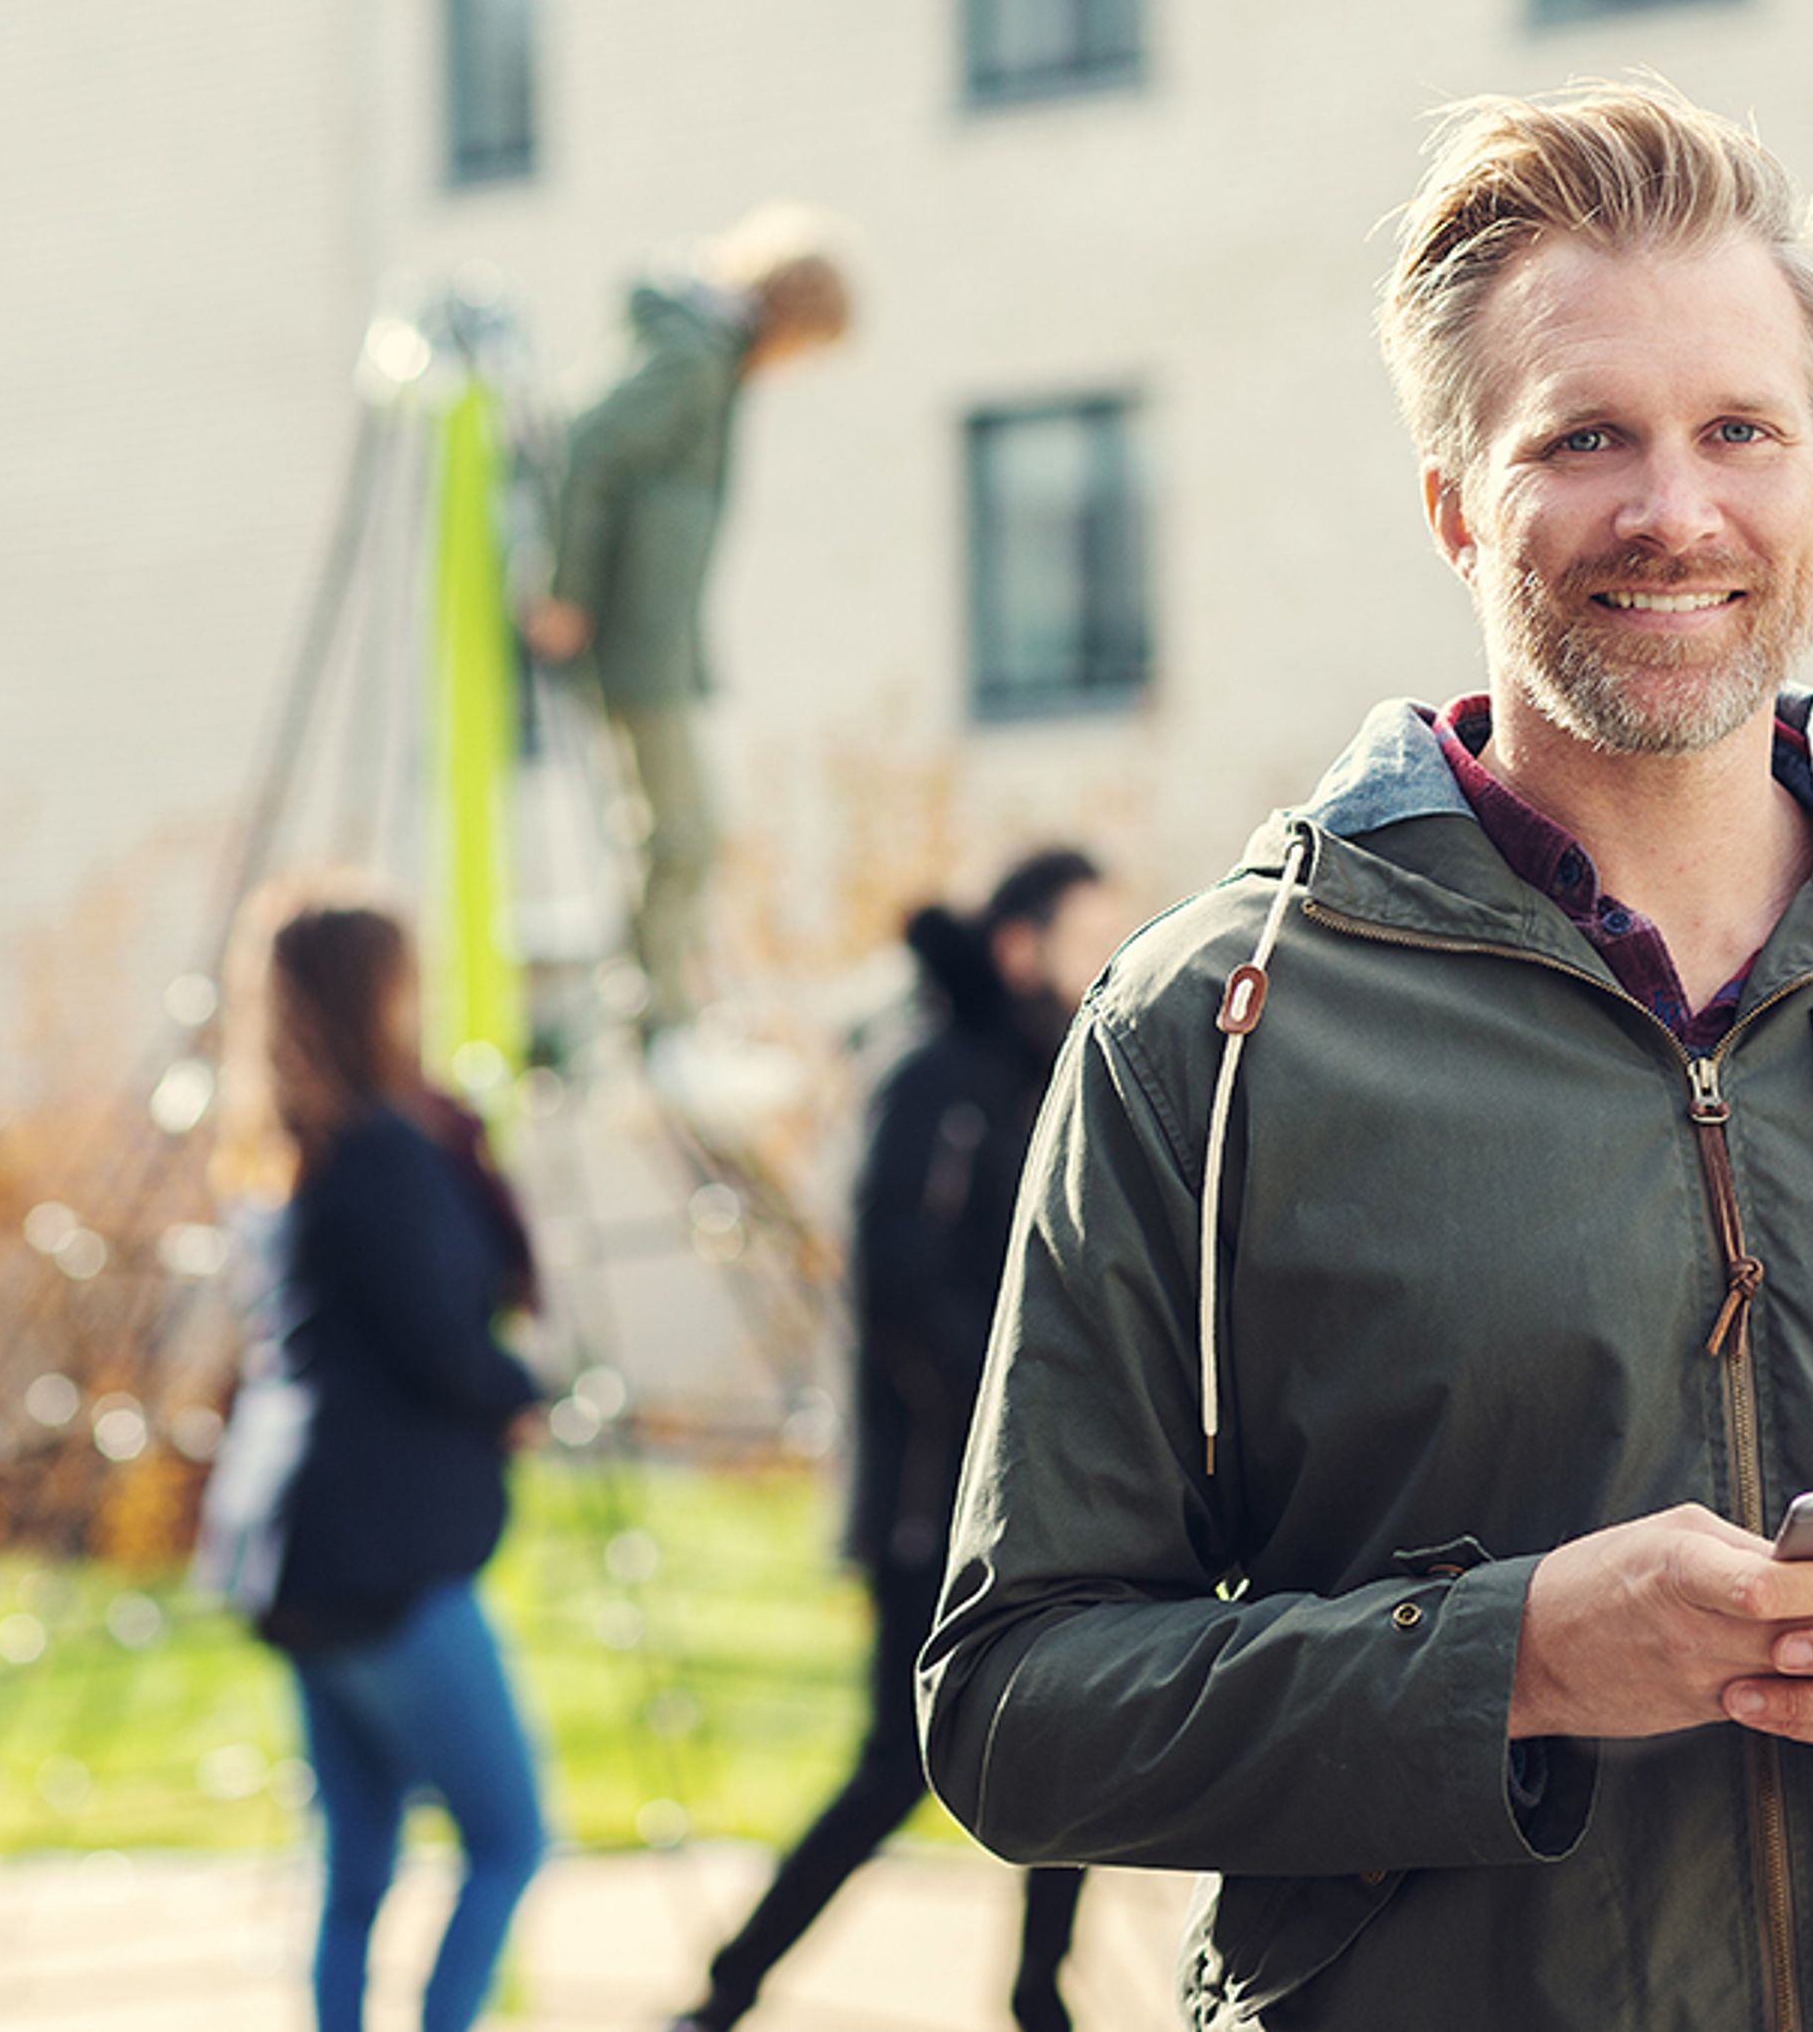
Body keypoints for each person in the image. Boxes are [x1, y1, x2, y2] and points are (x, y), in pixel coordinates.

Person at [914, 82, 1813, 2030]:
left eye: (1738, 431)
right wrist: (1499, 1662)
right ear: (1453, 502)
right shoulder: (1210, 1032)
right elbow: (1014, 1710)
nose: (1675, 511)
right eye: (1585, 436)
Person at [669, 847, 1126, 2032]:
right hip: (936, 1490)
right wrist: (1016, 1404)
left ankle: (1039, 2001)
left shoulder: (1047, 1075)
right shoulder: (937, 1076)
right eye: (1087, 936)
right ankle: (726, 1991)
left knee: (1064, 1742)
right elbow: (897, 1285)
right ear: (1021, 946)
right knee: (896, 1765)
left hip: (1038, 1485)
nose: (1105, 961)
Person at [198, 886, 550, 2032]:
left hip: (288, 1546)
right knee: (507, 1837)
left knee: (355, 1865)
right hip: (382, 1551)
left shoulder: (285, 1155)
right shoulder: (388, 1154)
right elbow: (441, 1341)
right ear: (377, 995)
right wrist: (519, 1396)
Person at [527, 206, 854, 1056]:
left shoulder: (710, 362)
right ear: (790, 316)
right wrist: (565, 591)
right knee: (682, 832)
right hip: (632, 635)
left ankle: (657, 997)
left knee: (680, 829)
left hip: (653, 633)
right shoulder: (694, 364)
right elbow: (587, 447)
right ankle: (654, 1010)